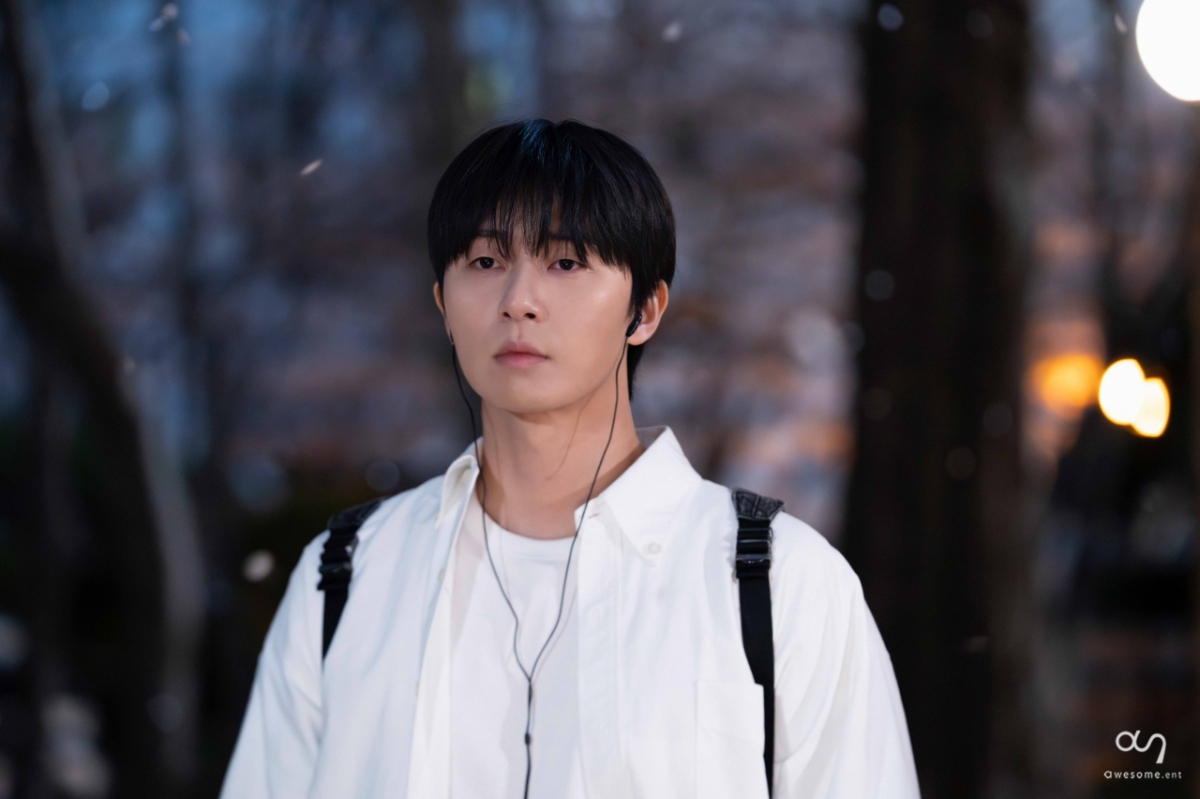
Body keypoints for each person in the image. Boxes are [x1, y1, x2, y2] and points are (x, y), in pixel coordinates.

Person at [219, 118, 920, 799]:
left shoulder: (775, 581)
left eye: (565, 262)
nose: (518, 301)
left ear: (646, 309)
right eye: (486, 262)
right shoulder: (347, 576)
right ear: (443, 305)